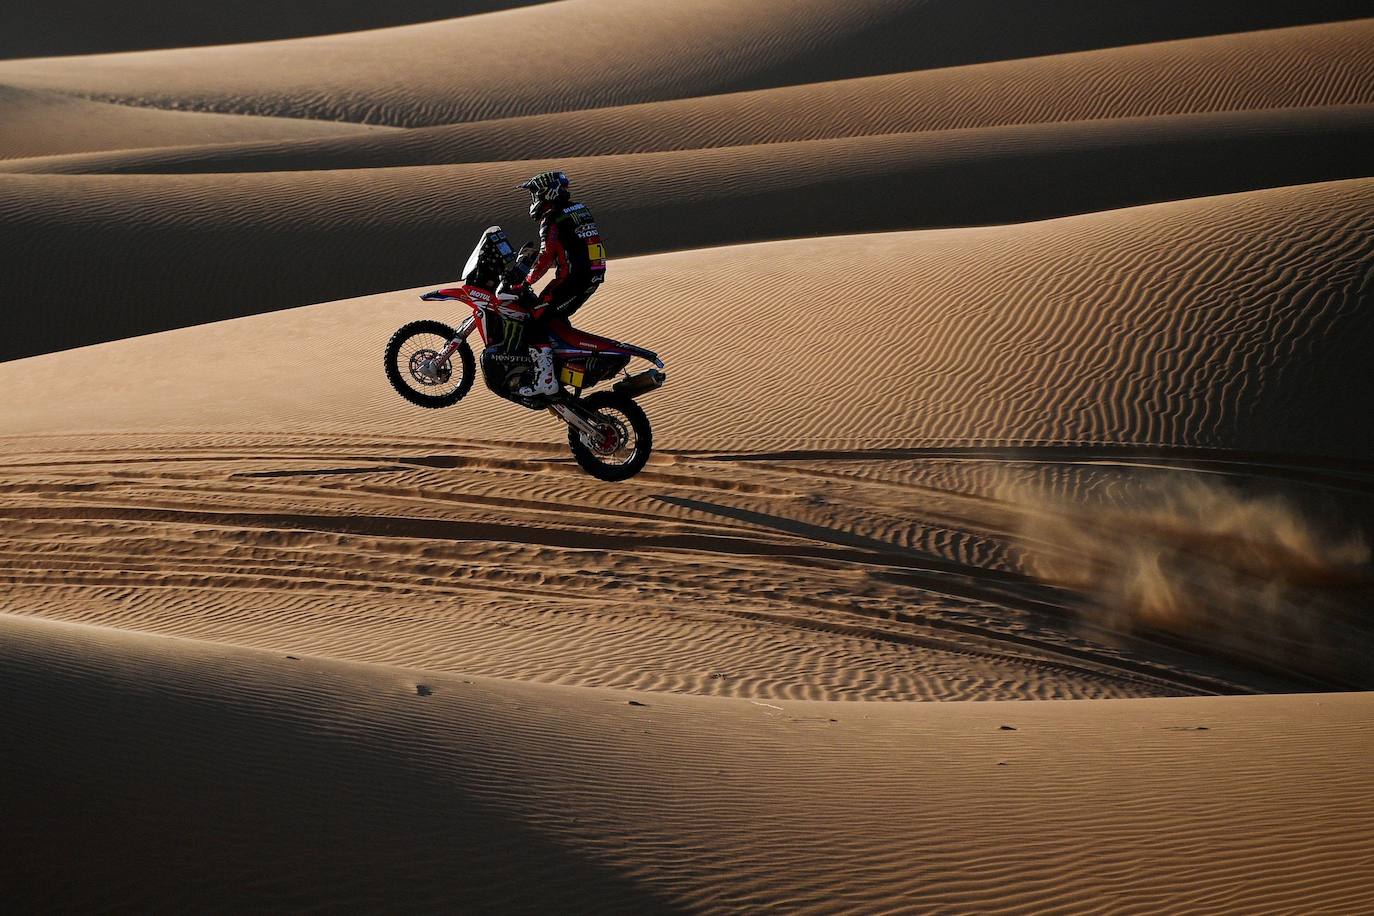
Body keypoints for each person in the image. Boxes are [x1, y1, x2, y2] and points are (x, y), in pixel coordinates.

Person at [509, 170, 607, 397]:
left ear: (547, 193)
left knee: (534, 319)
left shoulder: (552, 218)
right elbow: (573, 245)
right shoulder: (579, 209)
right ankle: (564, 367)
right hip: (591, 275)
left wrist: (526, 280)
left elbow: (546, 255)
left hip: (573, 280)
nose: (533, 200)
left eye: (535, 194)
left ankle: (545, 380)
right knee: (554, 321)